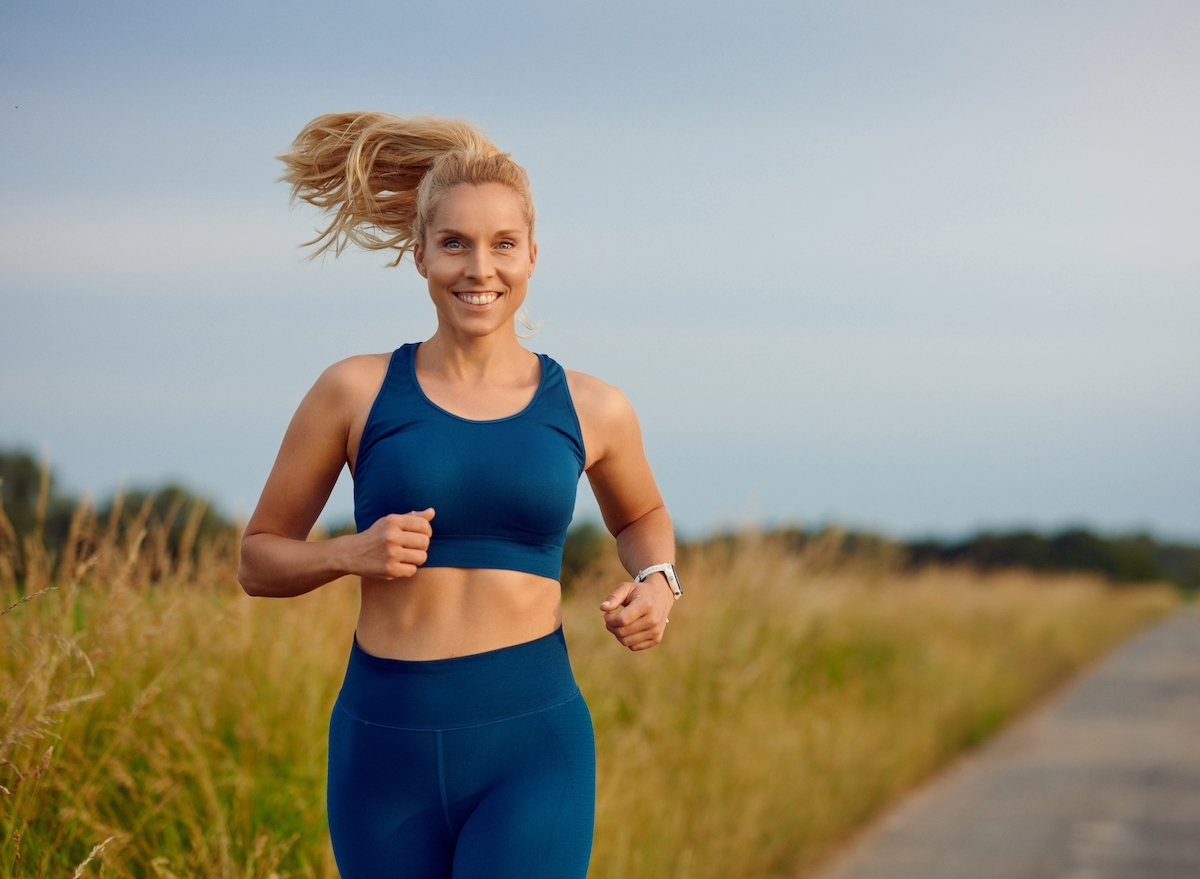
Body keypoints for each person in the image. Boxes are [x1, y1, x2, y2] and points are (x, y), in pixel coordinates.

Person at [237, 112, 680, 879]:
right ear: (419, 255)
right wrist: (351, 552)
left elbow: (642, 516)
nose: (481, 268)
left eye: (503, 244)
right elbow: (256, 559)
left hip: (531, 744)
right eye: (455, 244)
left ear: (534, 255)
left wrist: (658, 580)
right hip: (383, 747)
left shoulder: (592, 406)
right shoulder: (354, 390)